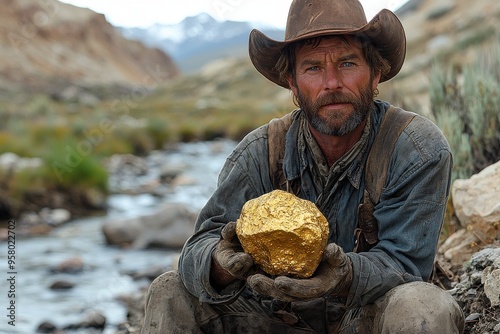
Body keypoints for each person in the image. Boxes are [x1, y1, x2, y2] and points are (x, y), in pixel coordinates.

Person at [141, 0, 465, 333]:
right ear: (293, 85)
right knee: (169, 291)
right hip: (273, 319)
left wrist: (342, 275)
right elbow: (197, 248)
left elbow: (407, 264)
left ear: (375, 74)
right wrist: (221, 264)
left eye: (348, 63)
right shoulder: (259, 152)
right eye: (312, 68)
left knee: (422, 305)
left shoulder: (416, 149)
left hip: (363, 319)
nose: (332, 82)